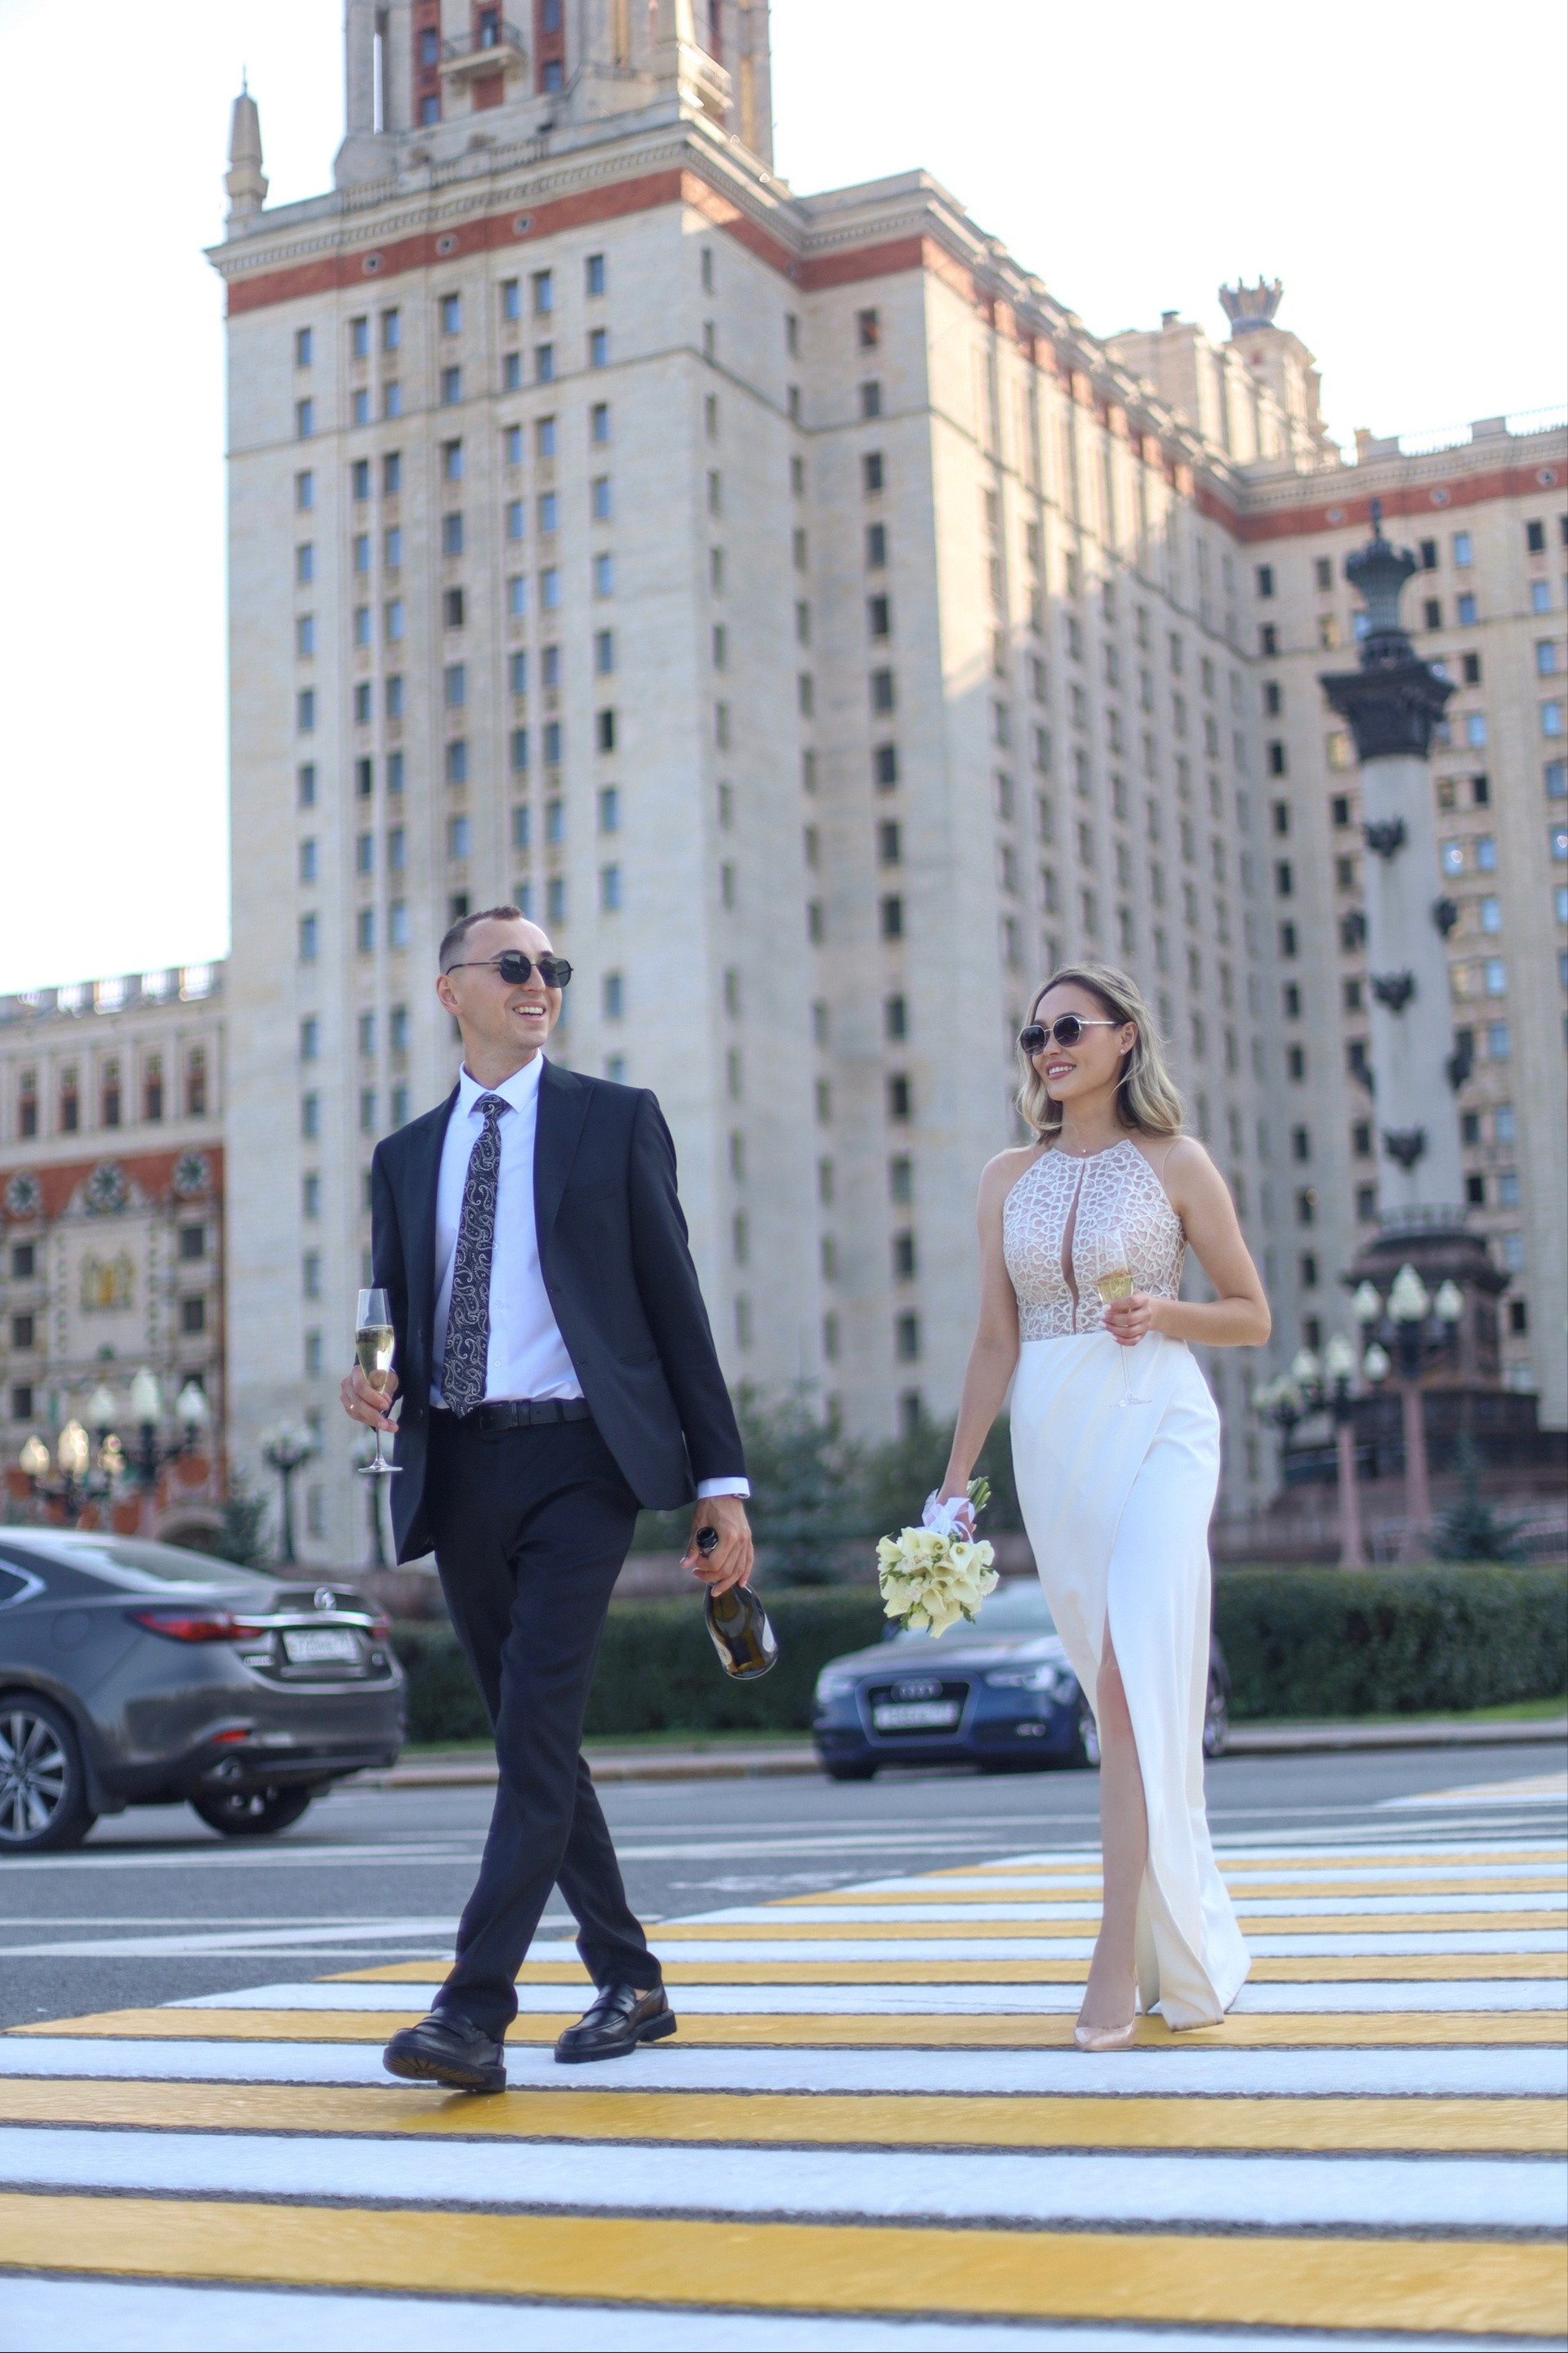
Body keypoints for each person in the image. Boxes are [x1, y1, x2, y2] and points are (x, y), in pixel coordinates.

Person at [341, 905, 752, 2090]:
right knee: (540, 1744)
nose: (540, 982)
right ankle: (631, 1975)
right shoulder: (404, 1156)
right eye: (515, 965)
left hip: (584, 1461)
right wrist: (370, 1376)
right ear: (452, 991)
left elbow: (676, 1305)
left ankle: (472, 2011)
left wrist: (721, 1483)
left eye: (552, 967)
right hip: (461, 1464)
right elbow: (389, 1309)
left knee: (532, 1732)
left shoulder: (614, 1120)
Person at [936, 963, 1269, 2047]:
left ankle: (1114, 1952)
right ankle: (1174, 1935)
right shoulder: (1003, 1178)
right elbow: (995, 1340)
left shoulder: (1177, 1162)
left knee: (1129, 1674)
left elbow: (1252, 1314)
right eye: (1034, 1034)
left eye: (1070, 1027)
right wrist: (953, 1484)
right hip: (1056, 1439)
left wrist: (1166, 1310)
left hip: (1160, 1424)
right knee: (1113, 1688)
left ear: (1125, 1038)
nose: (1049, 1048)